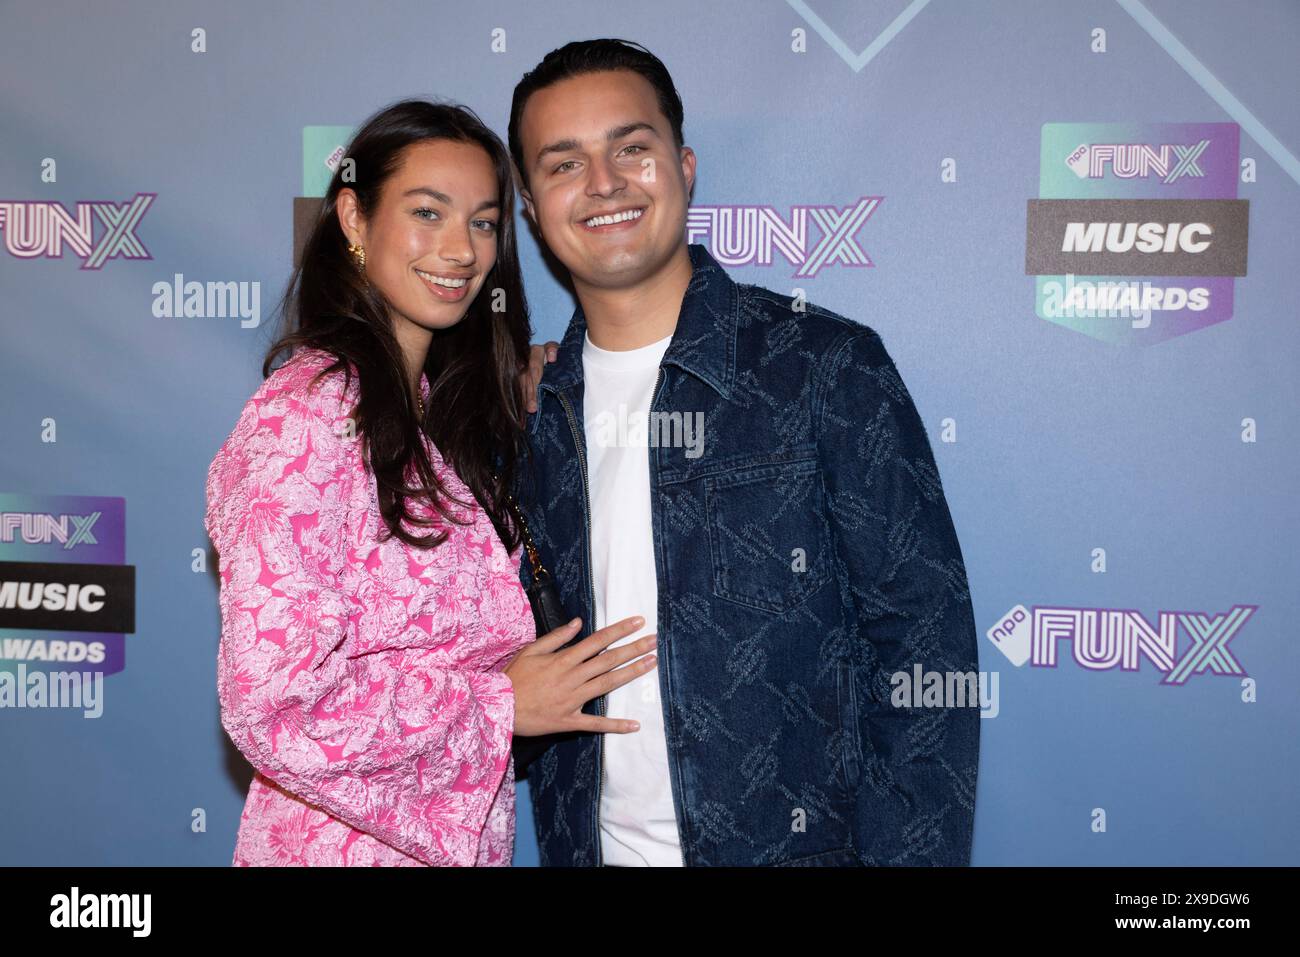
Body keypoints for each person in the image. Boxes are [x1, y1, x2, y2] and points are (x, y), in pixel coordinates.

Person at [510, 40, 981, 866]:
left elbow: (925, 652)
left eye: (632, 149)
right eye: (563, 164)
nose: (605, 184)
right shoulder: (532, 413)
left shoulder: (822, 367)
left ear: (683, 166)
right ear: (530, 205)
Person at [205, 98, 656, 867]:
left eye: (482, 222)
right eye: (427, 212)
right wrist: (501, 705)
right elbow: (271, 700)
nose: (460, 250)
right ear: (353, 217)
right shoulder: (305, 416)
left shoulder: (427, 418)